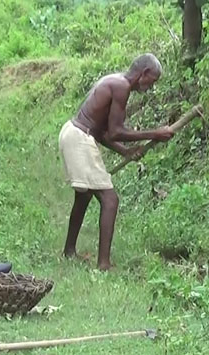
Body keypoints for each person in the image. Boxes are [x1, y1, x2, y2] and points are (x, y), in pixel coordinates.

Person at [58, 53, 174, 270]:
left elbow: (104, 132)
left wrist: (126, 152)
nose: (151, 87)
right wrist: (154, 133)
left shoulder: (115, 81)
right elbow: (116, 131)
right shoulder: (121, 86)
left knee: (83, 198)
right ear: (144, 73)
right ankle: (104, 264)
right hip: (79, 138)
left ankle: (69, 251)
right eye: (152, 81)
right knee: (110, 200)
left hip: (73, 132)